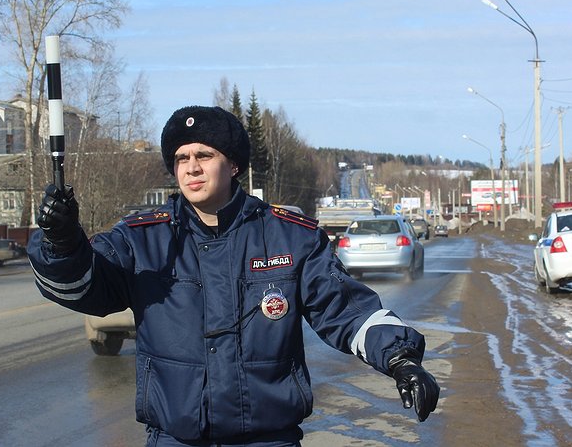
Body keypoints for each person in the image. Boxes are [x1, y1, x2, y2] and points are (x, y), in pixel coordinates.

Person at [28, 105, 439, 446]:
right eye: (181, 159)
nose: (191, 168)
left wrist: (400, 359)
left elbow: (346, 311)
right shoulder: (142, 239)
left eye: (204, 156)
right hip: (175, 439)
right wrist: (62, 243)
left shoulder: (289, 237)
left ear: (235, 165)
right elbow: (84, 290)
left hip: (269, 439)